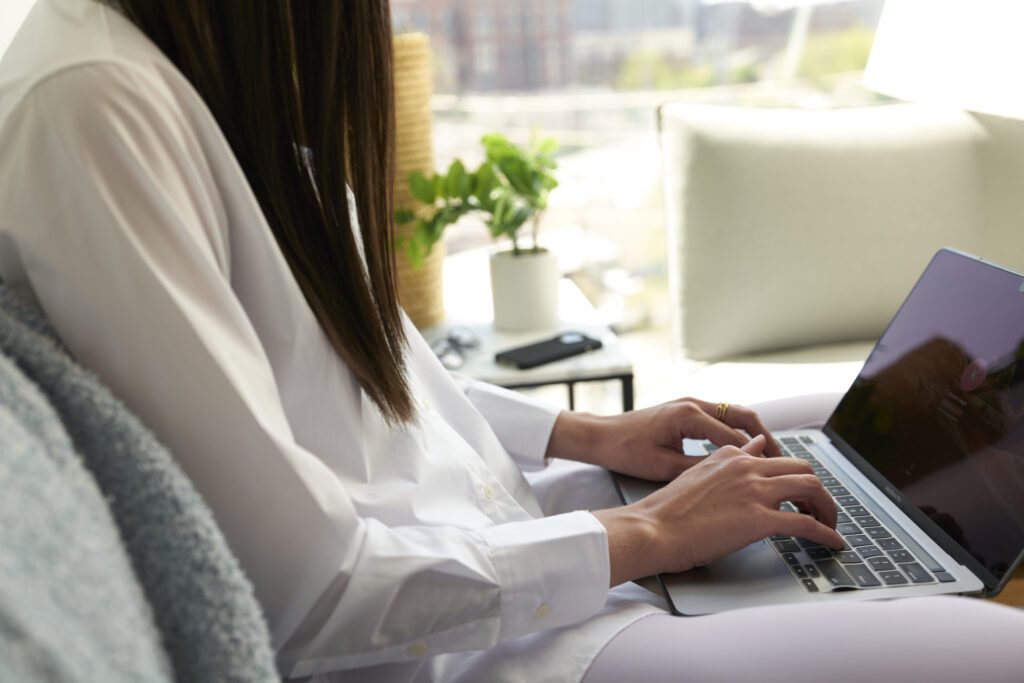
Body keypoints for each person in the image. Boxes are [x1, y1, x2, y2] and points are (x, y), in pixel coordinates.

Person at [0, 1, 1021, 681]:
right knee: (992, 647)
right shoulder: (96, 103)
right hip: (471, 633)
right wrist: (652, 533)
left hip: (502, 527)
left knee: (830, 425)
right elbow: (305, 591)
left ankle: (896, 552)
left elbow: (365, 368)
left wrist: (589, 435)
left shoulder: (205, 69)